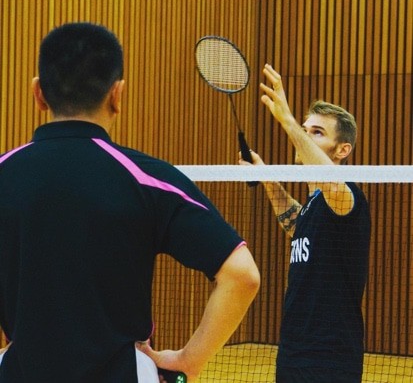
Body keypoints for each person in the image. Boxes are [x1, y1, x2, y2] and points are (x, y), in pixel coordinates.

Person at [0, 22, 260, 382]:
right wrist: (190, 359)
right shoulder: (148, 178)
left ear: (38, 93)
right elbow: (242, 275)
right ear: (117, 95)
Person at [239, 65, 371, 383]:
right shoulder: (314, 206)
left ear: (343, 150)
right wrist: (268, 178)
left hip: (331, 358)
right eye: (306, 128)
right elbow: (296, 224)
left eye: (317, 132)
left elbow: (334, 187)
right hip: (293, 350)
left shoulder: (346, 195)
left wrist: (287, 120)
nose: (306, 135)